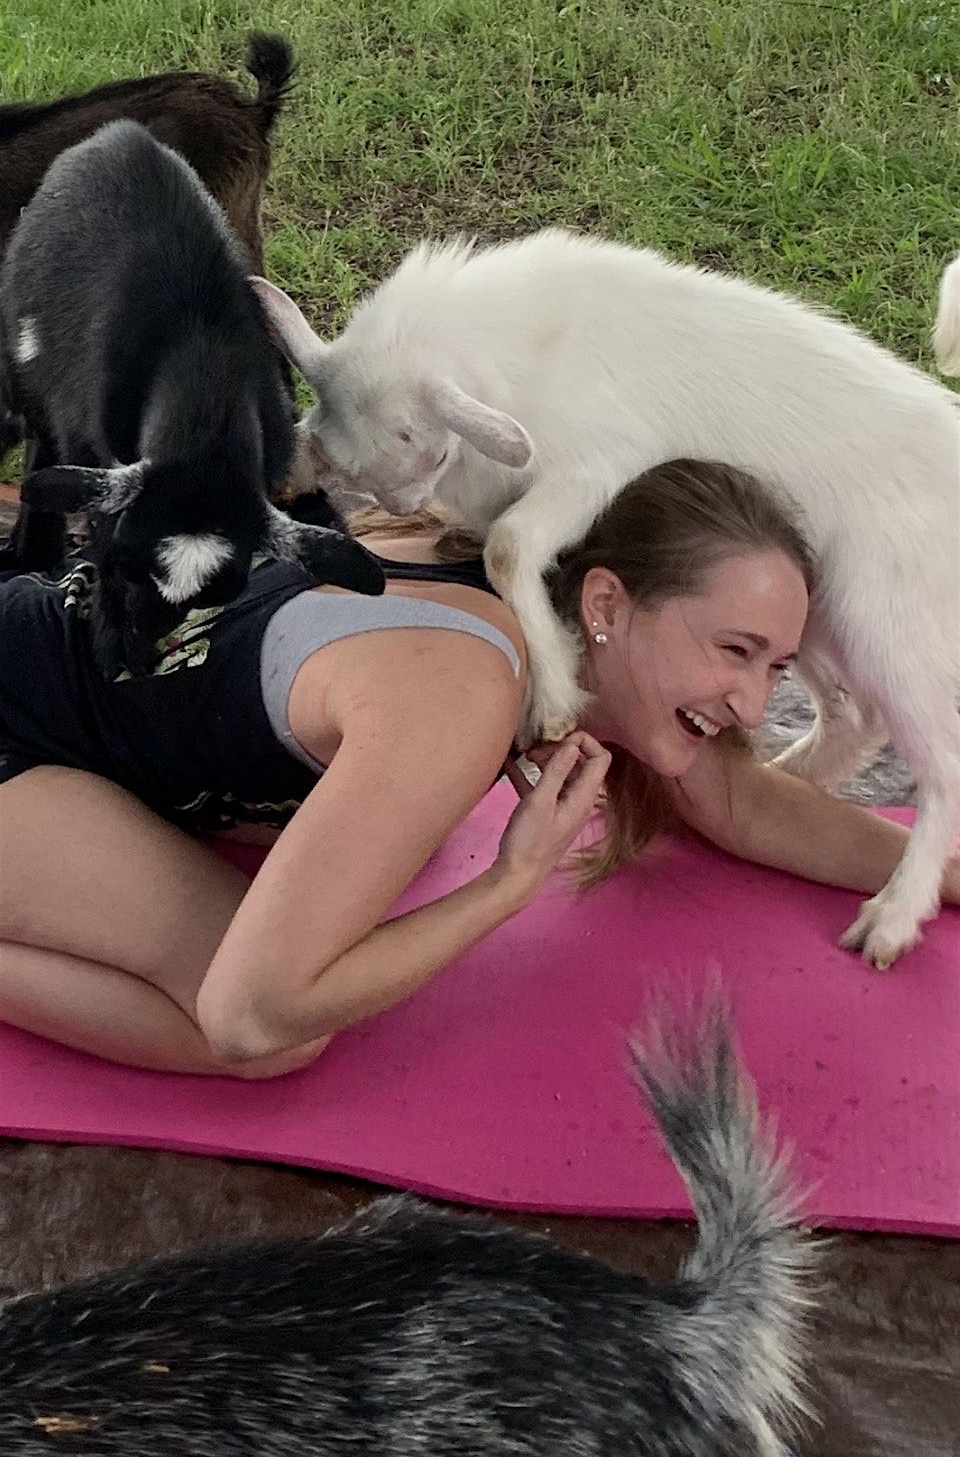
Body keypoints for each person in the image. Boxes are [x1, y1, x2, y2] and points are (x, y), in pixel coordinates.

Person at [0, 459, 953, 1079]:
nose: (751, 704)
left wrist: (933, 869)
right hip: (19, 734)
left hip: (61, 679)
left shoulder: (524, 580)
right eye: (735, 650)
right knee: (280, 1039)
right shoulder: (463, 695)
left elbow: (738, 799)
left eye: (776, 667)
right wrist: (508, 882)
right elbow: (248, 1011)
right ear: (610, 601)